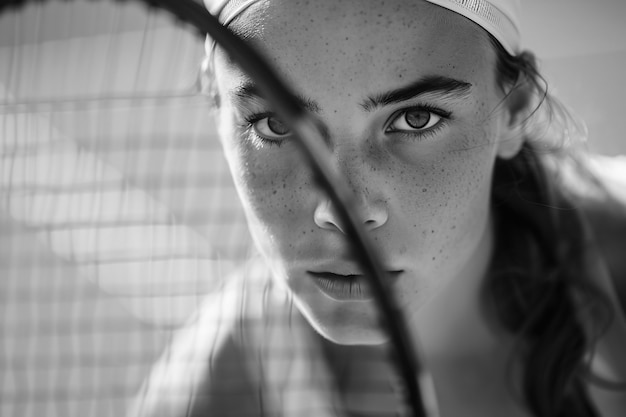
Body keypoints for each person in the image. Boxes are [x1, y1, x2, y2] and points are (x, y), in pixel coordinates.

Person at [129, 0, 626, 416]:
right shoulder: (223, 384)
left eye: (416, 117)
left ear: (514, 111)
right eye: (274, 125)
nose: (342, 209)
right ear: (217, 108)